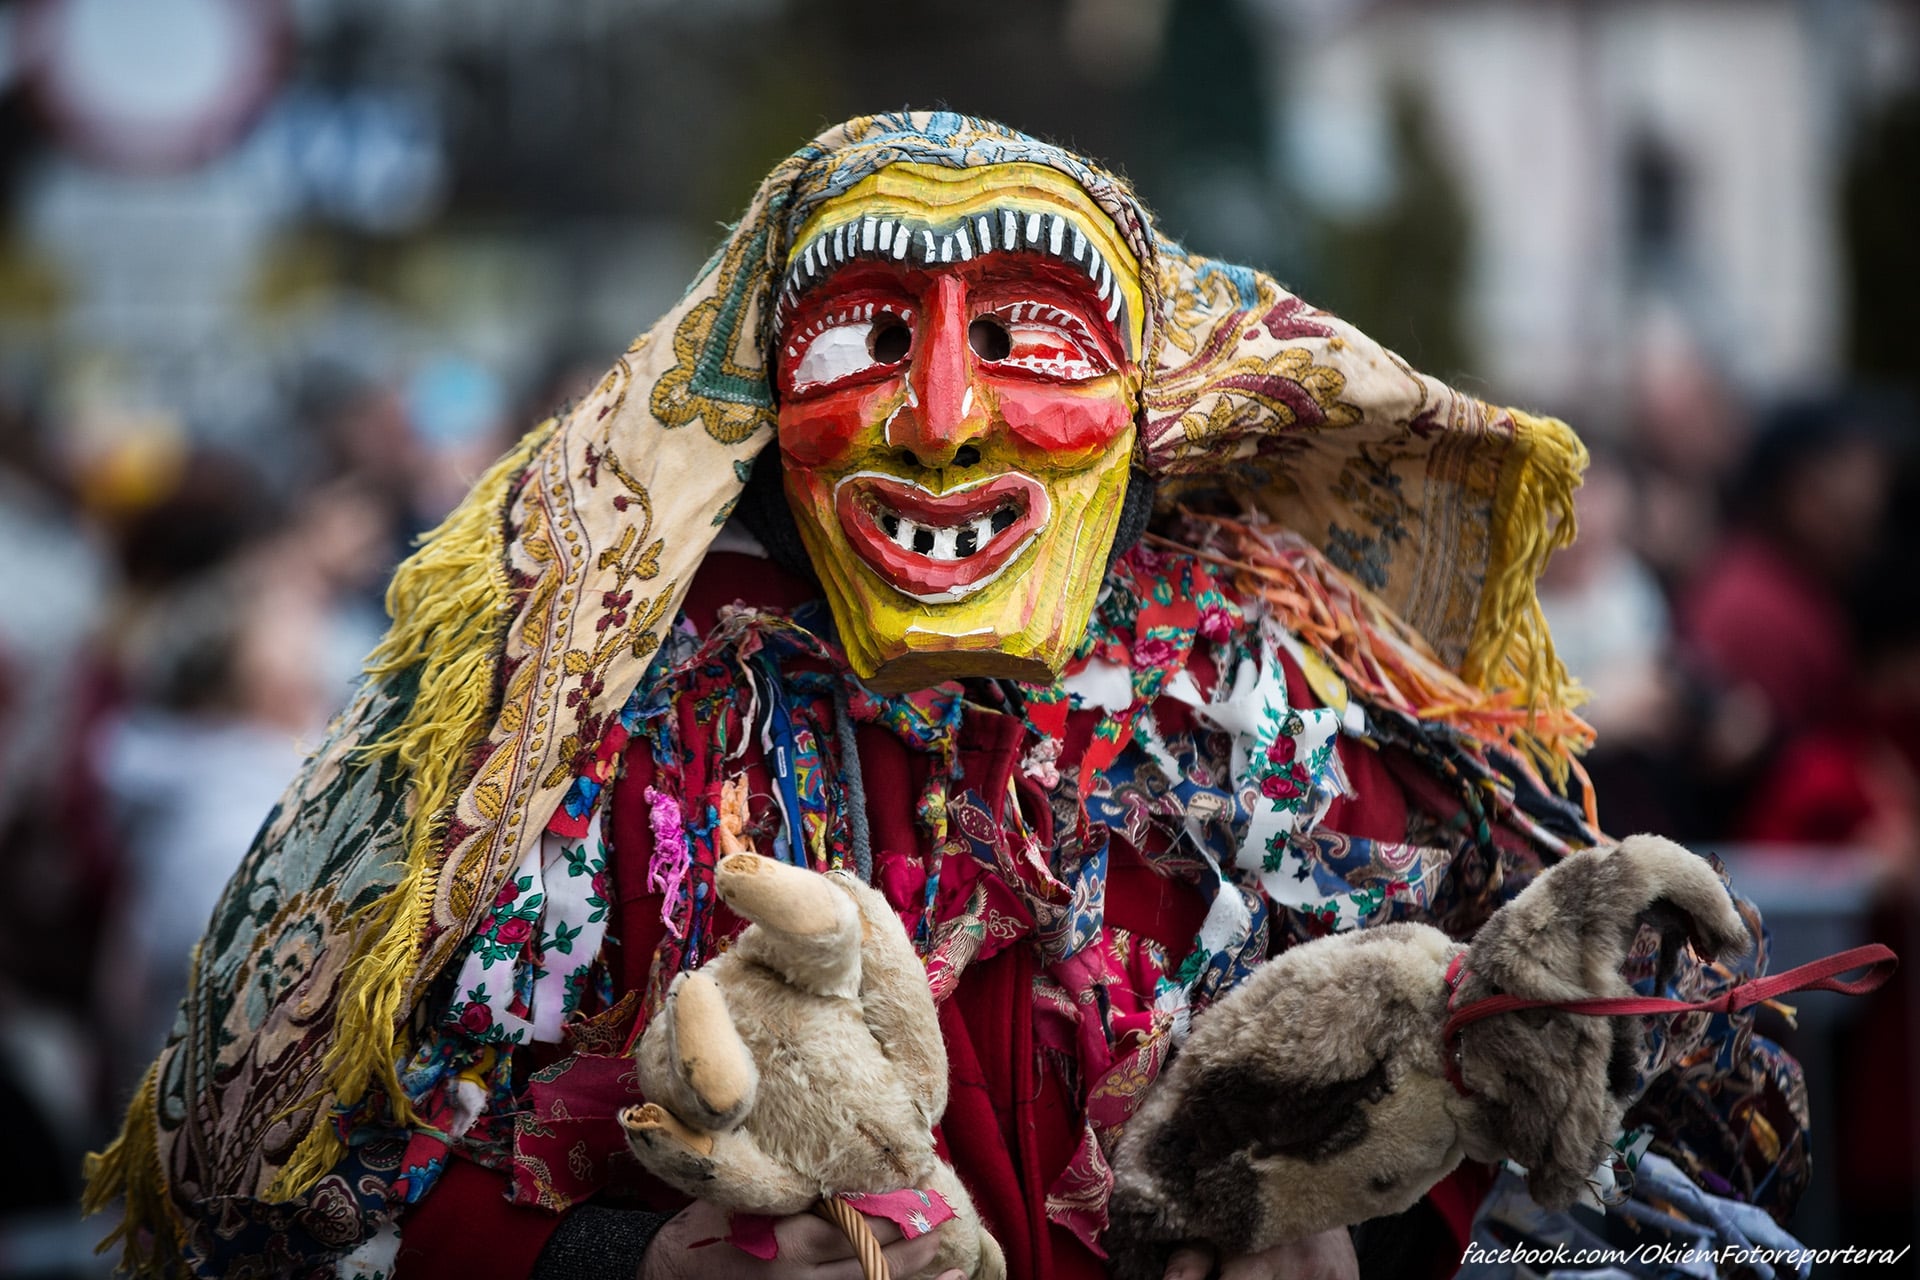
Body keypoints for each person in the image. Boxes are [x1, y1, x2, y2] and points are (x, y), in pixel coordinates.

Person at [86, 113, 1807, 1280]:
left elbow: (1608, 1129)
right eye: (861, 340)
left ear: (1142, 399)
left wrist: (1391, 1223)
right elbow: (286, 1194)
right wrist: (621, 1258)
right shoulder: (599, 738)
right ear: (764, 399)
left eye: (1036, 339)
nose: (940, 410)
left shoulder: (1272, 701)